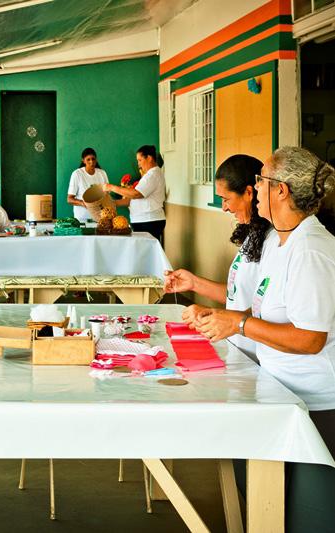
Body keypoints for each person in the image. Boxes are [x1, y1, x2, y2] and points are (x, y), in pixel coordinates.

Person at [193, 147, 335, 532]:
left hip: (314, 404)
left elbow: (309, 339)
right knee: (267, 503)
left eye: (261, 180)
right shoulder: (277, 239)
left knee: (307, 518)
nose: (255, 187)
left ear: (282, 190)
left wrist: (237, 325)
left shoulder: (311, 250)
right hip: (280, 389)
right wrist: (224, 317)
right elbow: (258, 311)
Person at [164, 155, 270, 361]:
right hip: (239, 348)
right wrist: (193, 283)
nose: (224, 207)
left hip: (257, 355)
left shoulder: (273, 242)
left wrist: (215, 314)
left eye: (226, 199)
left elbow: (266, 308)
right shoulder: (253, 236)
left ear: (249, 192)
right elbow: (237, 294)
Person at [104, 145, 166, 242]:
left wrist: (112, 187)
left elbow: (136, 194)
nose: (138, 164)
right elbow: (131, 200)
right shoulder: (148, 175)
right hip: (143, 220)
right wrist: (111, 203)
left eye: (140, 160)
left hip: (149, 221)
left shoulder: (153, 175)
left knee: (146, 254)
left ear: (149, 158)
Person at [67, 147, 109, 222]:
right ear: (83, 161)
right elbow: (69, 199)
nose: (91, 162)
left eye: (93, 159)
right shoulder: (77, 174)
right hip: (82, 218)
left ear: (96, 160)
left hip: (100, 218)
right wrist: (84, 203)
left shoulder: (102, 173)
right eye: (88, 159)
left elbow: (107, 194)